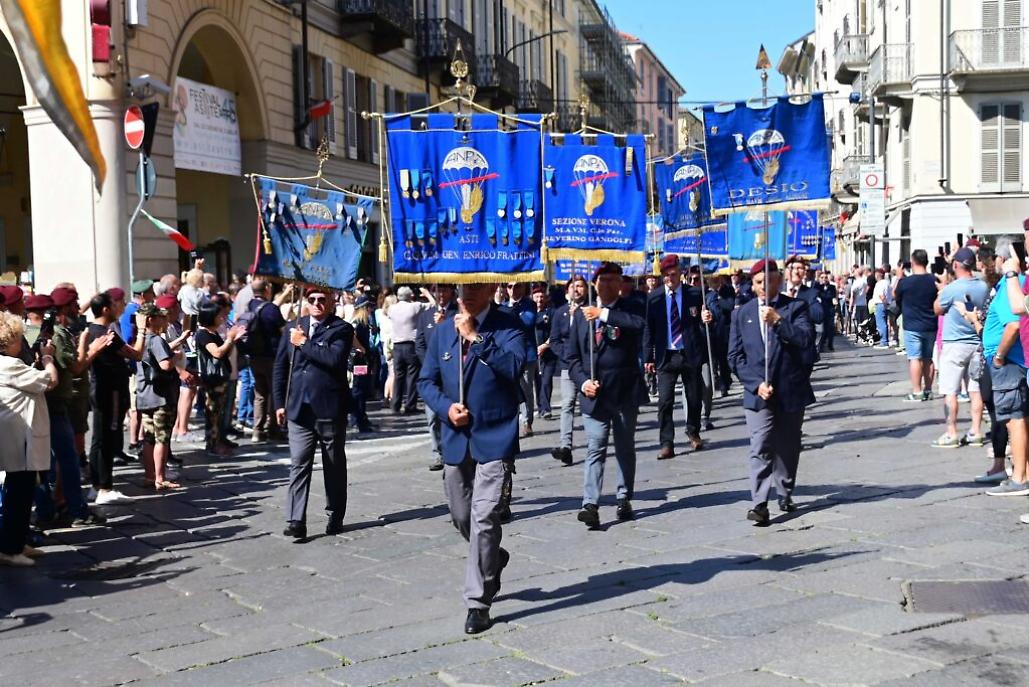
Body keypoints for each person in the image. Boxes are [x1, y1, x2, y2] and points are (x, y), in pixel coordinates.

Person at [416, 281, 525, 634]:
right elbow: (426, 381)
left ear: (492, 287)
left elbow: (514, 368)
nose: (468, 293)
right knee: (462, 516)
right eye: (464, 286)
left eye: (477, 286)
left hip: (496, 434)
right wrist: (447, 409)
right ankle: (492, 556)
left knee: (484, 515)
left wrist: (477, 338)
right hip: (456, 436)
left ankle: (477, 602)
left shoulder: (509, 324)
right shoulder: (443, 330)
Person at [728, 259, 815, 525]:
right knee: (760, 444)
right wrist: (755, 384)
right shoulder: (742, 314)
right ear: (752, 286)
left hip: (789, 388)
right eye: (758, 282)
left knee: (787, 447)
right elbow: (735, 357)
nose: (764, 286)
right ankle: (760, 503)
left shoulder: (796, 307)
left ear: (778, 279)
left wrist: (778, 322)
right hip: (759, 392)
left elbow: (804, 341)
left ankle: (785, 490)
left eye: (769, 280)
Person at [567, 262, 648, 529]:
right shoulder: (580, 315)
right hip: (595, 394)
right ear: (595, 283)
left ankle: (624, 496)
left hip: (624, 391)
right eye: (604, 280)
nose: (609, 284)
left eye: (614, 280)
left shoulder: (629, 307)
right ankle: (590, 503)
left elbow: (637, 325)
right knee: (595, 446)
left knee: (624, 447)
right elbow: (573, 357)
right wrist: (582, 383)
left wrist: (602, 314)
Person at [273, 288, 353, 541]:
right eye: (312, 300)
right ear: (306, 302)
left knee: (334, 465)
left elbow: (333, 359)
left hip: (329, 408)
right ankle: (296, 520)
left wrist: (305, 343)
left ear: (331, 302)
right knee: (299, 464)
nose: (317, 304)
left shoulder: (342, 329)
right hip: (299, 409)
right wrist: (279, 402)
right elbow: (280, 367)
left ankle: (335, 513)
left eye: (322, 300)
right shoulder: (293, 327)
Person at [0, 312, 58, 566]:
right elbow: (50, 380)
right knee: (19, 494)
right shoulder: (9, 365)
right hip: (20, 439)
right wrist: (47, 358)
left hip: (17, 437)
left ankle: (16, 541)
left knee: (20, 492)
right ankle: (10, 549)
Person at [643, 254, 710, 460]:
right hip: (666, 355)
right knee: (665, 400)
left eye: (673, 275)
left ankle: (693, 430)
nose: (669, 279)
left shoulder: (695, 294)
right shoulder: (654, 298)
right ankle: (666, 442)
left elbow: (704, 319)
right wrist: (648, 356)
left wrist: (707, 317)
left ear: (680, 273)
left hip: (689, 353)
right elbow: (649, 328)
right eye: (665, 276)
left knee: (694, 396)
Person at [86, 291, 143, 505]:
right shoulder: (104, 333)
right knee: (107, 437)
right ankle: (105, 487)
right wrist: (144, 330)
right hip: (110, 391)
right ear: (105, 309)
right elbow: (135, 354)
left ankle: (96, 486)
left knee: (99, 439)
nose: (119, 308)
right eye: (114, 305)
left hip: (103, 389)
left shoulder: (93, 330)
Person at [933, 247, 989, 448]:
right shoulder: (983, 286)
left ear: (956, 265)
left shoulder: (951, 289)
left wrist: (942, 291)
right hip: (976, 342)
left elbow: (937, 309)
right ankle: (976, 431)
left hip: (954, 344)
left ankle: (952, 432)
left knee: (951, 390)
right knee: (975, 390)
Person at [136, 302, 189, 489]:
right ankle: (160, 477)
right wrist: (175, 357)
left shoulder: (140, 340)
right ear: (151, 319)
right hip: (161, 397)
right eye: (159, 316)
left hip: (145, 395)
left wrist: (180, 340)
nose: (163, 319)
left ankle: (149, 476)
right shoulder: (156, 339)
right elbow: (165, 364)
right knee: (162, 438)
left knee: (149, 438)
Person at [415, 284, 458, 471]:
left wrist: (445, 323)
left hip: (452, 373)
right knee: (432, 416)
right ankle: (437, 452)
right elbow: (420, 343)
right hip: (432, 374)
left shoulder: (457, 313)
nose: (441, 294)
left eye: (444, 290)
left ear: (451, 292)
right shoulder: (425, 315)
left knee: (451, 412)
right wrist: (430, 364)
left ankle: (453, 450)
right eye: (438, 291)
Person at [195, 300, 243, 456]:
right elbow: (217, 352)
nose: (222, 318)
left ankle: (218, 441)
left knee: (218, 413)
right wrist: (230, 338)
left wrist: (232, 340)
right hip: (212, 379)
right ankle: (212, 445)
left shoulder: (212, 333)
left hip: (221, 377)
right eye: (218, 315)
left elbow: (224, 352)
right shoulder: (203, 334)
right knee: (213, 414)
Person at [245, 279, 287, 443]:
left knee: (260, 393)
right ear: (267, 289)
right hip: (272, 356)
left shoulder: (249, 306)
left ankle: (257, 430)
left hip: (254, 356)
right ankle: (274, 429)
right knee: (275, 392)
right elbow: (283, 330)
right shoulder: (271, 309)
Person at [894, 249, 939, 402]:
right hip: (931, 323)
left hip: (912, 325)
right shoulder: (934, 280)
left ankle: (917, 391)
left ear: (912, 263)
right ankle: (928, 390)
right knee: (928, 358)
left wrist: (899, 277)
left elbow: (896, 297)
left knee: (914, 358)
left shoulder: (906, 282)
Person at [550, 276, 585, 466]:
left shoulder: (590, 311)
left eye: (580, 286)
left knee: (589, 405)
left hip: (587, 367)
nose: (577, 290)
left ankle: (595, 442)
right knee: (568, 403)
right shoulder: (560, 313)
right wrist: (567, 355)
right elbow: (554, 340)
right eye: (573, 287)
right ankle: (566, 446)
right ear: (566, 292)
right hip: (568, 366)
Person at [389, 286, 430, 415]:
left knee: (398, 376)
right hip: (410, 344)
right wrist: (427, 293)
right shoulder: (415, 307)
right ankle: (410, 405)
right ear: (410, 296)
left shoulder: (392, 308)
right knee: (412, 376)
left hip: (397, 345)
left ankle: (395, 404)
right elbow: (434, 304)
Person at [348, 295, 376, 435]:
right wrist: (361, 348)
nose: (371, 309)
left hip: (361, 360)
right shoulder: (359, 322)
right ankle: (358, 420)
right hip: (359, 360)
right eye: (369, 306)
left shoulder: (360, 321)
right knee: (359, 389)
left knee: (361, 389)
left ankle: (361, 418)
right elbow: (351, 335)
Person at [532, 285, 556, 420]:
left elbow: (554, 332)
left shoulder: (551, 312)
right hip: (533, 353)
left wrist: (545, 345)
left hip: (548, 352)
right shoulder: (530, 313)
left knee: (546, 381)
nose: (539, 299)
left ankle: (546, 409)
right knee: (538, 381)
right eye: (536, 297)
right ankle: (541, 407)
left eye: (541, 296)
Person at [814, 271, 838, 353]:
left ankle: (830, 345)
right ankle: (821, 345)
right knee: (821, 329)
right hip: (821, 310)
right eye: (822, 277)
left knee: (830, 328)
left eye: (825, 277)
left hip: (830, 310)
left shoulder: (832, 287)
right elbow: (815, 294)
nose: (824, 279)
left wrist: (822, 295)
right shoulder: (817, 287)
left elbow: (831, 295)